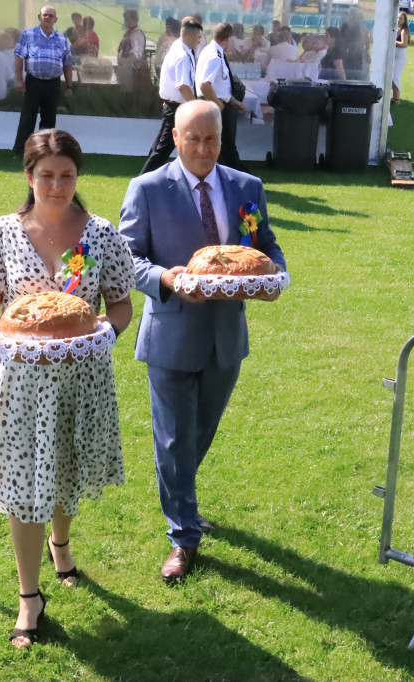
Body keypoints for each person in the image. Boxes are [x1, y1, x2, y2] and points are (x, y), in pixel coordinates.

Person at [0, 128, 135, 648]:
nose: (57, 185)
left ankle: (60, 543)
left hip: (80, 377)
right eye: (46, 176)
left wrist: (108, 329)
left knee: (63, 467)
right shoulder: (3, 232)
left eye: (66, 175)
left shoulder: (101, 234)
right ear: (29, 176)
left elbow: (121, 302)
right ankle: (28, 597)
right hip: (17, 381)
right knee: (23, 486)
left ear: (77, 176)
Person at [120, 99, 285, 584]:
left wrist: (272, 268)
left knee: (197, 435)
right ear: (175, 138)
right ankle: (183, 536)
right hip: (171, 332)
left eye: (211, 138)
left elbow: (263, 243)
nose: (202, 148)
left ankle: (183, 502)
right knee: (173, 439)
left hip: (226, 336)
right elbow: (126, 260)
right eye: (192, 138)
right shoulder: (147, 189)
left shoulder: (245, 186)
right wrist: (167, 279)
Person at [140, 16, 201, 175]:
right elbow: (183, 86)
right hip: (177, 107)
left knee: (159, 147)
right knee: (163, 149)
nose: (199, 41)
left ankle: (146, 179)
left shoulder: (177, 46)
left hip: (171, 104)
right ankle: (142, 180)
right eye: (199, 37)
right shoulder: (183, 56)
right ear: (191, 36)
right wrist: (196, 107)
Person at [12, 6, 73, 156]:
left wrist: (69, 86)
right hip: (34, 82)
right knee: (28, 117)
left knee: (49, 119)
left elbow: (68, 63)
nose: (47, 18)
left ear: (55, 19)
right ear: (40, 17)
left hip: (53, 83)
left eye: (51, 16)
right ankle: (21, 150)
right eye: (45, 15)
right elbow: (19, 57)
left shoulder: (62, 39)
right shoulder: (28, 34)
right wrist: (19, 80)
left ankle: (45, 152)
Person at [196, 22, 246, 172]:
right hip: (213, 106)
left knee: (224, 145)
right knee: (226, 145)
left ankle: (232, 175)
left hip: (217, 103)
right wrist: (218, 103)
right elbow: (205, 85)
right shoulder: (214, 56)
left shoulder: (213, 52)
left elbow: (219, 85)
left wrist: (233, 101)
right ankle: (237, 178)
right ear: (228, 38)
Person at [392, 11, 409, 103]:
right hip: (394, 55)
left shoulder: (403, 31)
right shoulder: (396, 29)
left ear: (404, 20)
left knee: (395, 76)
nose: (398, 20)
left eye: (400, 18)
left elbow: (404, 44)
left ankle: (396, 98)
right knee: (391, 76)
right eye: (398, 18)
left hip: (400, 56)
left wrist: (393, 42)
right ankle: (394, 96)